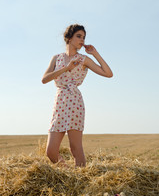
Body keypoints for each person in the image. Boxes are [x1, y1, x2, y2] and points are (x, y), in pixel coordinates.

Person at [41, 24, 113, 167]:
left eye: (84, 37)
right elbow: (44, 79)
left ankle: (80, 179)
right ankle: (68, 174)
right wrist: (66, 68)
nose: (82, 40)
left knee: (75, 148)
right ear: (68, 38)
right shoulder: (56, 58)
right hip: (60, 101)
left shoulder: (84, 59)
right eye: (79, 36)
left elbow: (108, 74)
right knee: (51, 151)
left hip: (75, 101)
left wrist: (95, 54)